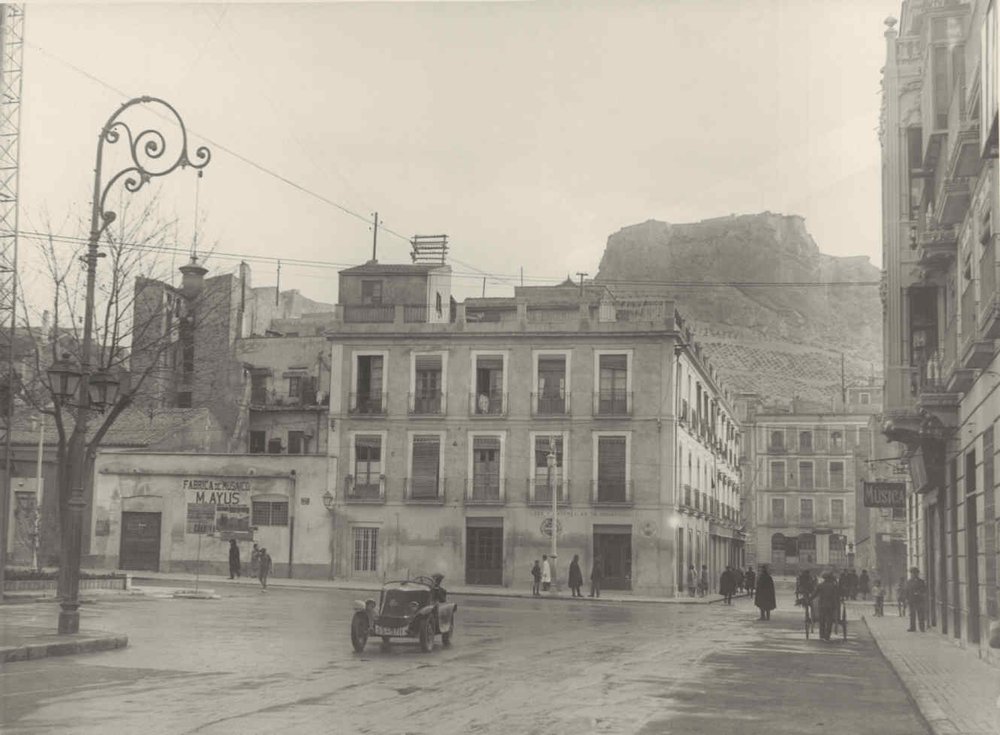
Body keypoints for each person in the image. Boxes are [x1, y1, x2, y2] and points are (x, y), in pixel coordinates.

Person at [815, 571, 840, 641]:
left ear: (824, 578)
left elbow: (815, 594)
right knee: (829, 620)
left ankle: (822, 635)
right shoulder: (834, 586)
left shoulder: (820, 585)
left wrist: (808, 599)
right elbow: (836, 596)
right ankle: (827, 636)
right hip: (831, 605)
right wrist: (837, 604)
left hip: (822, 605)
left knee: (822, 620)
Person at [905, 566, 928, 632]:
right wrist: (906, 599)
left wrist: (919, 593)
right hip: (911, 600)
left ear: (917, 573)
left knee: (920, 614)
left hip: (919, 600)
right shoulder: (909, 582)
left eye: (915, 573)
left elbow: (924, 590)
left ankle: (922, 627)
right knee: (912, 614)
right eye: (912, 573)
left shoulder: (921, 582)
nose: (913, 574)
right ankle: (912, 627)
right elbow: (907, 591)